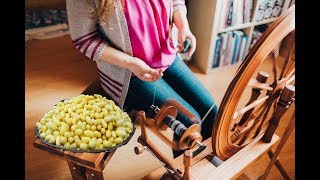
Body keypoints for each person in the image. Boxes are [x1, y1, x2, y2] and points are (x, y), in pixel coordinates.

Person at [66, 0, 218, 156]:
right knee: (190, 124)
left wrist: (182, 25)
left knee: (211, 112)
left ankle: (205, 164)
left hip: (167, 57)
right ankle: (182, 171)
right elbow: (84, 40)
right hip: (129, 74)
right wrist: (131, 63)